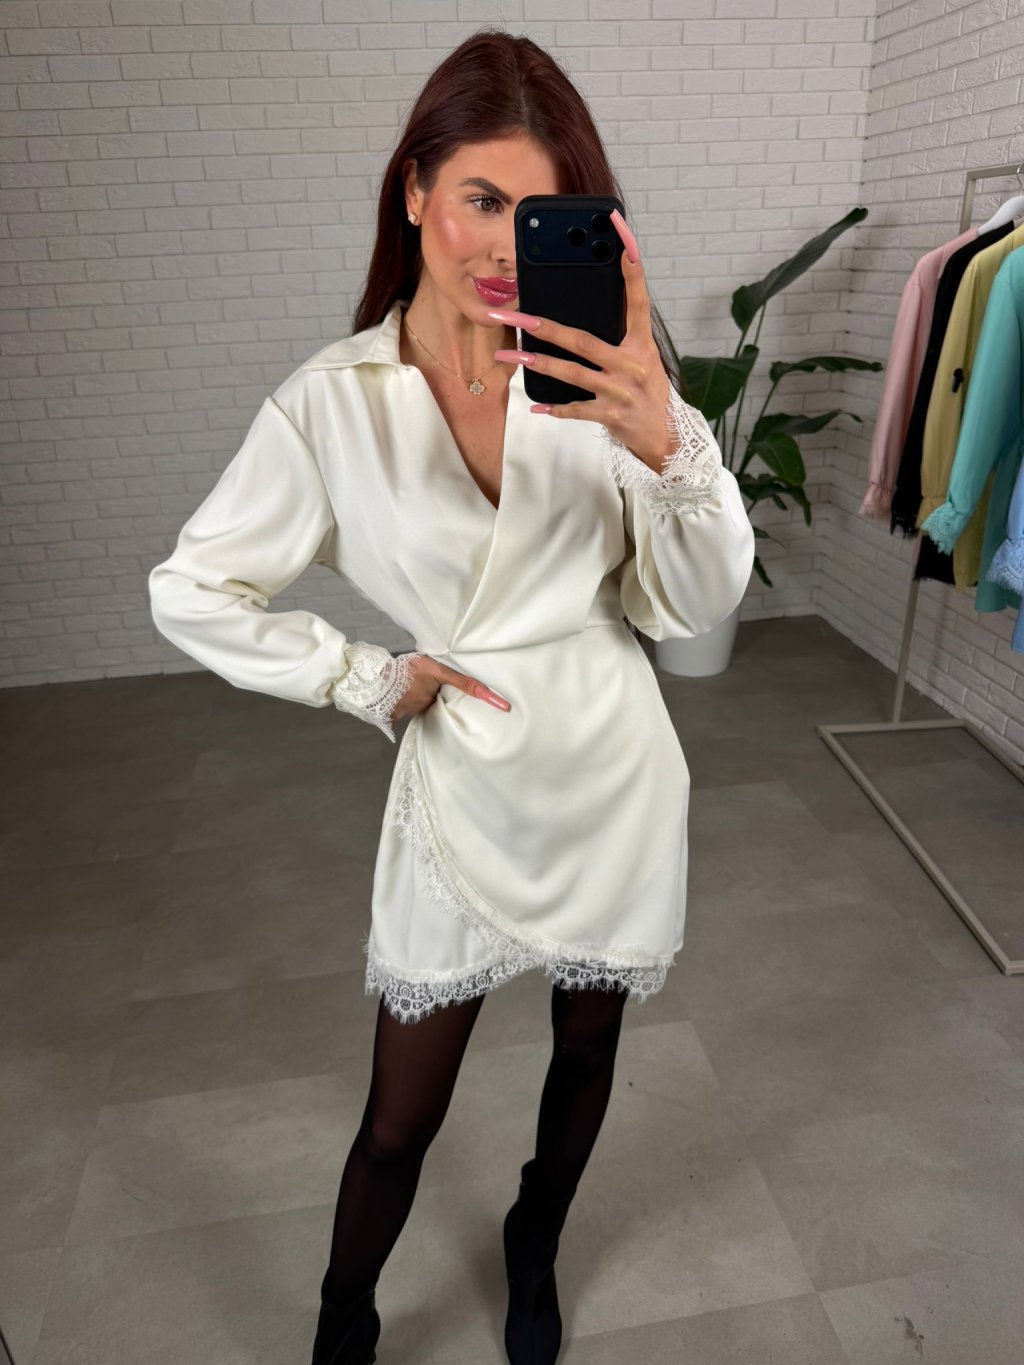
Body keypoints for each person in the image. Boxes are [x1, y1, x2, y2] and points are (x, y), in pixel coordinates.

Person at [147, 29, 755, 1365]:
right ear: (415, 186)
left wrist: (668, 443)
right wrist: (366, 676)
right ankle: (344, 1314)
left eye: (539, 214)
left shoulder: (607, 388)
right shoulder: (331, 406)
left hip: (611, 768)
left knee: (586, 1051)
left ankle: (535, 1239)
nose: (504, 246)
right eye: (482, 197)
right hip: (463, 777)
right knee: (398, 1118)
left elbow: (690, 604)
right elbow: (191, 589)